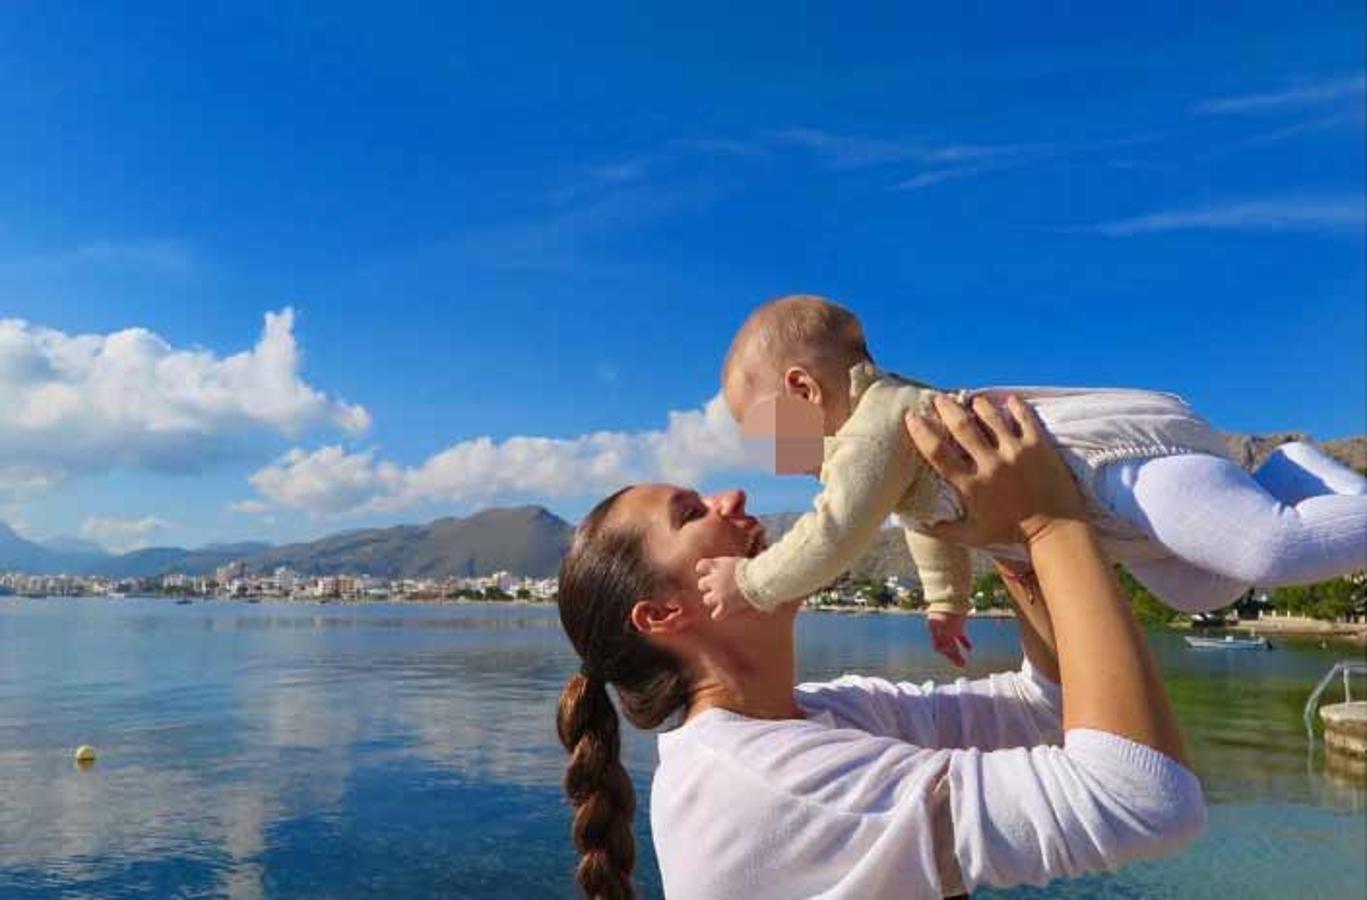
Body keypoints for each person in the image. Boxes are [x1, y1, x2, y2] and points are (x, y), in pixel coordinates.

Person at [555, 393, 1206, 899]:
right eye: (691, 514)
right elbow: (1142, 801)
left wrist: (1006, 543)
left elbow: (1044, 710)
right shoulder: (765, 784)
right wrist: (1048, 521)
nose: (731, 496)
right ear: (663, 615)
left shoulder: (828, 715)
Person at [698, 294, 1367, 666]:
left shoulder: (875, 426)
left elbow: (835, 530)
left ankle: (1299, 480)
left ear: (802, 389)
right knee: (1207, 587)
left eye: (767, 431)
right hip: (1108, 520)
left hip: (1112, 468)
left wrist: (749, 583)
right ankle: (1286, 468)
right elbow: (928, 525)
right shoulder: (888, 450)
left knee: (1270, 550)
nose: (770, 455)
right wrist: (946, 601)